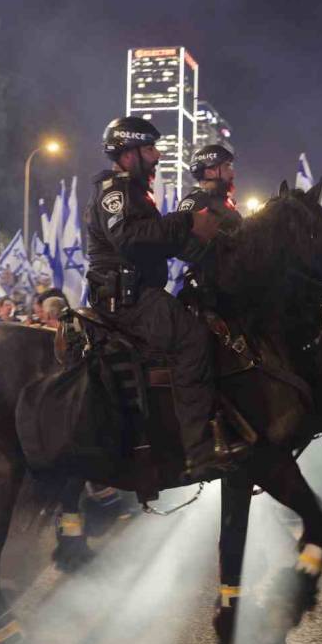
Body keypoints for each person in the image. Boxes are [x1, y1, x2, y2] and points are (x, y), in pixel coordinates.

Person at [86, 116, 237, 480]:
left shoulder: (137, 192)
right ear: (127, 154)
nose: (156, 157)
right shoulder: (116, 191)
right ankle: (198, 451)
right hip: (127, 300)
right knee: (192, 340)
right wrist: (186, 223)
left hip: (140, 292)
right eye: (150, 149)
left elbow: (167, 242)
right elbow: (131, 238)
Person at [178, 144, 243, 309]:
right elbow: (185, 248)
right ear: (209, 171)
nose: (232, 173)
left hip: (235, 289)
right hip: (208, 297)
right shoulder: (195, 202)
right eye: (227, 167)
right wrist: (224, 247)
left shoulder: (224, 204)